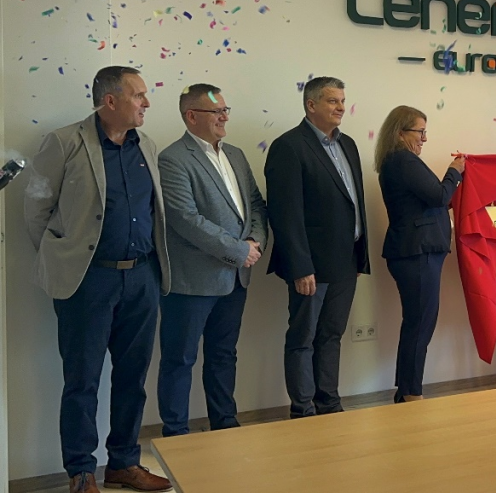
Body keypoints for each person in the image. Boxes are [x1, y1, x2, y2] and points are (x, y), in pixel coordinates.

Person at [24, 66, 173, 493]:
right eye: (138, 95)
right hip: (88, 281)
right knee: (83, 380)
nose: (146, 103)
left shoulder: (147, 145)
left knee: (132, 377)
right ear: (110, 101)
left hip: (141, 276)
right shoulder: (64, 142)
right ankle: (81, 472)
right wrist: (63, 257)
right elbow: (36, 208)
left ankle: (123, 464)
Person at [156, 84, 268, 437]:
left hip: (235, 278)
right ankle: (176, 434)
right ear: (191, 116)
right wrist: (238, 250)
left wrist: (256, 241)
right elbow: (185, 219)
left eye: (225, 110)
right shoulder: (173, 158)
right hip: (192, 281)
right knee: (180, 359)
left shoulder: (235, 154)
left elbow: (255, 204)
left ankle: (225, 425)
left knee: (223, 355)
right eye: (216, 111)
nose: (224, 117)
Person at [264, 76, 370, 418]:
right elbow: (285, 214)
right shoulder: (289, 146)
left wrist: (359, 255)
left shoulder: (348, 144)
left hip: (346, 260)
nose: (340, 107)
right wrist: (300, 267)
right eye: (332, 101)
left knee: (332, 335)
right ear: (311, 105)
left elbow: (353, 203)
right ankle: (303, 409)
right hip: (311, 265)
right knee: (303, 338)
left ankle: (329, 403)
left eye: (342, 100)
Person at [375, 106, 465, 402]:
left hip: (415, 252)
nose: (424, 138)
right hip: (418, 253)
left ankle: (407, 390)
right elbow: (439, 196)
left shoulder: (397, 161)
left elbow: (430, 200)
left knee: (417, 323)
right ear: (401, 133)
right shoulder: (403, 160)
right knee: (420, 325)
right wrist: (455, 171)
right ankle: (411, 393)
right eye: (420, 131)